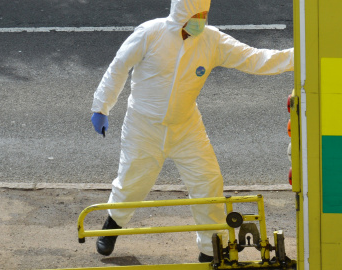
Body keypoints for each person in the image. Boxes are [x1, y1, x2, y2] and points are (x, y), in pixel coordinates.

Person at [90, 0, 294, 262]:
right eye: (197, 15)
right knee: (132, 182)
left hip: (186, 127)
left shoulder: (211, 41)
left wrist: (298, 56)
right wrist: (101, 106)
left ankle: (210, 250)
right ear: (181, 14)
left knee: (207, 182)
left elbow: (255, 59)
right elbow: (119, 66)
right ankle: (111, 228)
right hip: (144, 126)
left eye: (205, 14)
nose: (202, 20)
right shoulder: (150, 33)